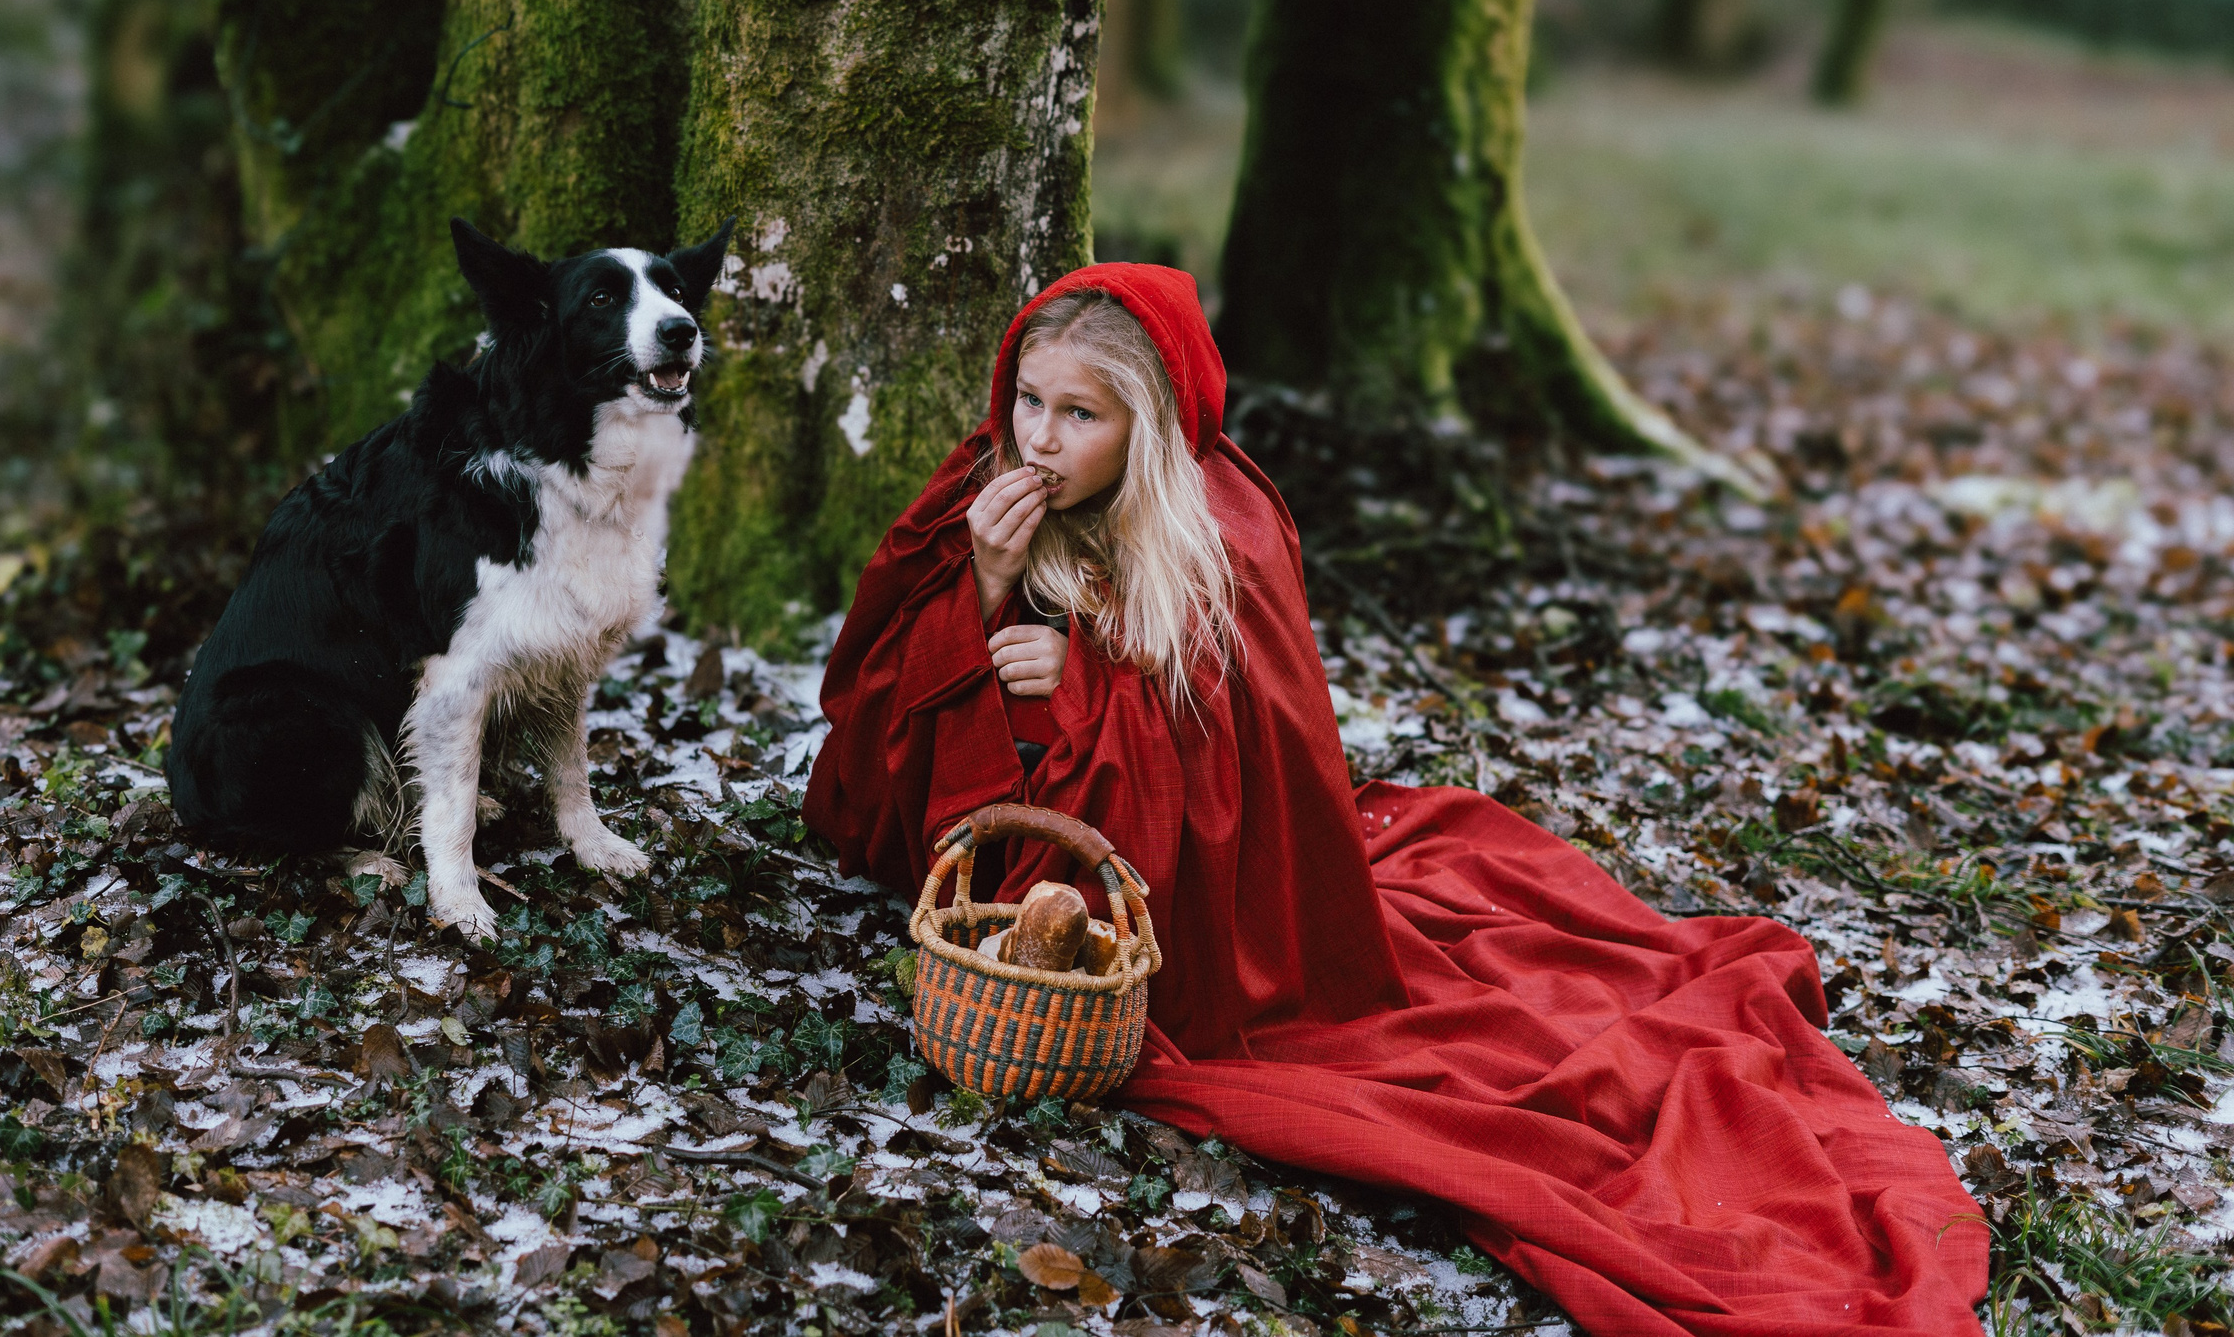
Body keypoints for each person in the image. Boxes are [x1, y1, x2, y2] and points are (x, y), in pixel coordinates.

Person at [805, 263, 1987, 1337]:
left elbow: (1224, 754)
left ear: (1148, 426)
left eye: (1080, 415)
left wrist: (1085, 683)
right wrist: (991, 582)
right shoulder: (987, 489)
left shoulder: (1218, 530)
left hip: (1151, 876)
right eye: (1027, 402)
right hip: (1010, 819)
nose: (1040, 440)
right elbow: (875, 697)